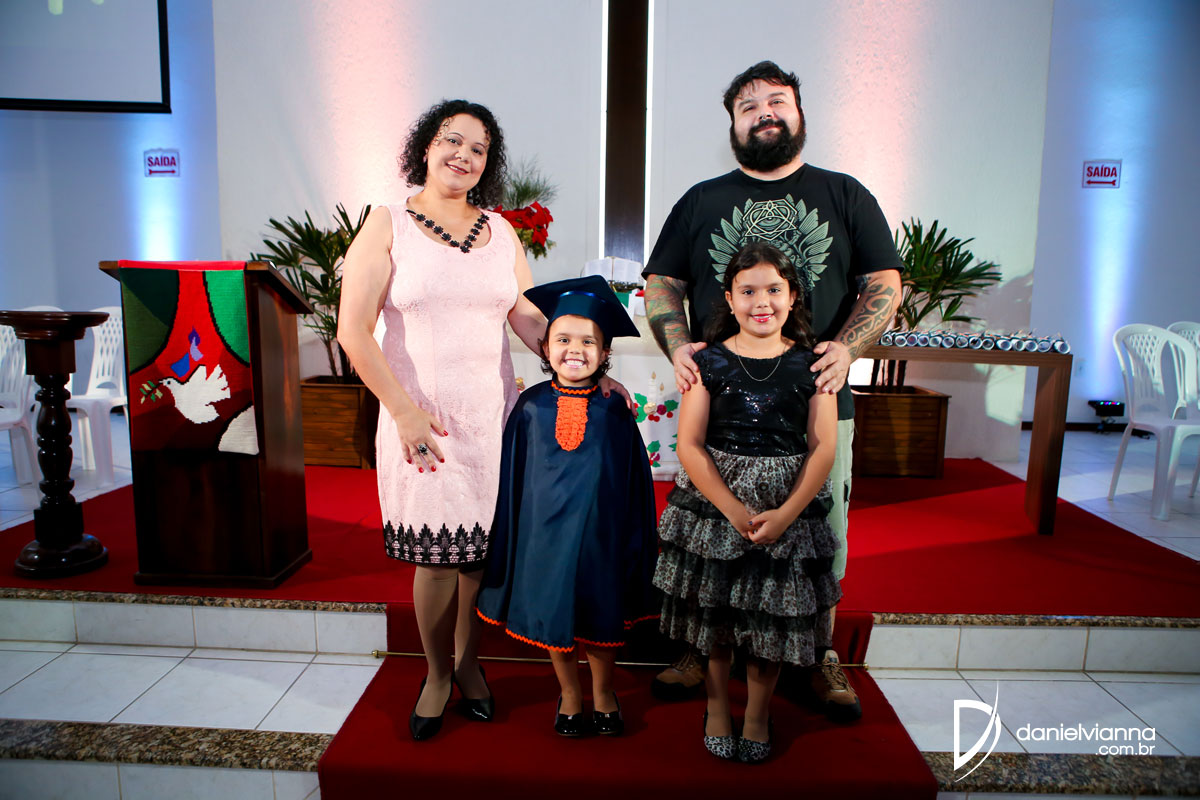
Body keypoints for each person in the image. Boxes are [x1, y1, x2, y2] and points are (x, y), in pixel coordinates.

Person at [336, 100, 629, 741]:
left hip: (496, 421)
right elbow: (353, 331)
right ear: (425, 146)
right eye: (451, 140)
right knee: (438, 559)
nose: (462, 155)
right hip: (422, 421)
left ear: (487, 164)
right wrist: (404, 412)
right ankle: (437, 673)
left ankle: (470, 664)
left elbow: (527, 318)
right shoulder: (387, 224)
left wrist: (584, 364)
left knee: (478, 557)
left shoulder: (499, 231)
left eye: (478, 148)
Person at [643, 61, 901, 720]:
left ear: (798, 112)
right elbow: (662, 283)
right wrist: (678, 345)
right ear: (732, 125)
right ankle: (701, 647)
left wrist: (847, 348)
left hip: (816, 398)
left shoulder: (845, 194)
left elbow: (884, 282)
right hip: (718, 405)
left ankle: (818, 653)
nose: (764, 112)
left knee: (820, 535)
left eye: (777, 100)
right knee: (709, 534)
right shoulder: (700, 200)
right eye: (748, 105)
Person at [654, 241, 839, 763]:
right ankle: (716, 707)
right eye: (748, 291)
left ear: (793, 296)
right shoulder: (707, 362)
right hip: (717, 503)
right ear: (730, 299)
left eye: (774, 289)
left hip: (786, 501)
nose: (762, 302)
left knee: (769, 618)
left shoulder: (814, 365)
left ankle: (757, 714)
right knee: (715, 614)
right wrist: (733, 510)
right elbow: (689, 445)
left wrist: (787, 514)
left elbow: (824, 447)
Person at [476, 276, 659, 738]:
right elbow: (514, 478)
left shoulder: (614, 409)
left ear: (605, 352)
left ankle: (604, 691)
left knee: (602, 616)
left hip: (601, 539)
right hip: (545, 539)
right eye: (562, 339)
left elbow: (633, 480)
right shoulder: (530, 407)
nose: (574, 350)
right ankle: (570, 693)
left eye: (588, 342)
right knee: (555, 619)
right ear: (544, 347)